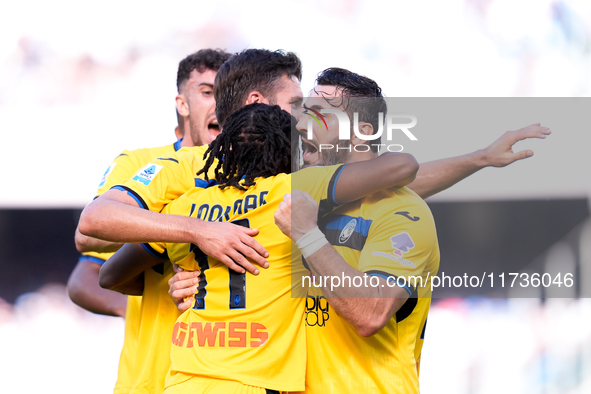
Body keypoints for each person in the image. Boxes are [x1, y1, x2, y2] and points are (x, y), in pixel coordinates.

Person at [98, 102, 421, 393]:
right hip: (254, 379)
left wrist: (178, 275)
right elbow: (401, 166)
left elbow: (109, 275)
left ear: (223, 151)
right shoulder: (291, 192)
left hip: (184, 378)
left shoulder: (182, 206)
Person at [271, 67, 550, 393]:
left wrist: (307, 235)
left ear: (360, 132)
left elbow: (371, 313)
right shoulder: (297, 200)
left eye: (319, 115)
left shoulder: (403, 212)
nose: (302, 124)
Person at [68, 48, 232, 394]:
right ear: (182, 104)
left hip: (226, 377)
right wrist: (138, 306)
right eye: (206, 92)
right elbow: (86, 251)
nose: (218, 104)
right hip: (149, 377)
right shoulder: (141, 164)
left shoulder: (253, 178)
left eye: (226, 93)